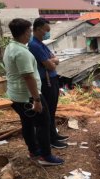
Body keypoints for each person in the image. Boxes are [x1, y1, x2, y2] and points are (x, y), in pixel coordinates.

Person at [3, 18, 64, 166]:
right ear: (24, 33)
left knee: (28, 123)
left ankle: (34, 150)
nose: (30, 33)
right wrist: (36, 100)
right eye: (29, 31)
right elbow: (28, 77)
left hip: (17, 94)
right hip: (27, 96)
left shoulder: (11, 47)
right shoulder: (22, 52)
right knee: (43, 122)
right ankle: (45, 156)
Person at [28, 18, 68, 149]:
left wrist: (53, 61)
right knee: (48, 111)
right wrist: (53, 61)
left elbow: (54, 58)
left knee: (52, 110)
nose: (48, 33)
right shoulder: (34, 45)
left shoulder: (41, 43)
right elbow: (51, 65)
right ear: (39, 29)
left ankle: (54, 135)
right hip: (46, 82)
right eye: (47, 30)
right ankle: (51, 139)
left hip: (52, 80)